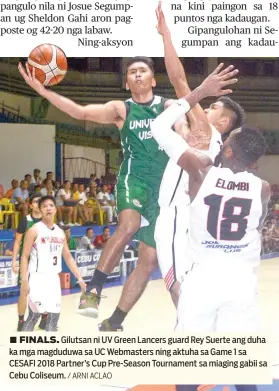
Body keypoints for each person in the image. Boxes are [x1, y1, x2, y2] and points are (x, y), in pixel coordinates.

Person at [18, 53, 237, 321]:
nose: (136, 74)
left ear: (153, 80)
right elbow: (79, 111)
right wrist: (42, 90)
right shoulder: (121, 109)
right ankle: (93, 291)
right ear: (126, 83)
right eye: (132, 71)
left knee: (148, 260)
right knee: (128, 225)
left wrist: (184, 133)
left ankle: (118, 320)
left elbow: (180, 124)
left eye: (142, 70)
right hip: (134, 180)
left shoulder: (167, 105)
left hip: (164, 193)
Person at [150, 97, 270, 332]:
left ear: (226, 151)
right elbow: (257, 225)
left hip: (203, 278)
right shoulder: (262, 188)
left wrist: (193, 100)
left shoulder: (201, 175)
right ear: (255, 163)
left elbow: (158, 127)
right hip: (241, 280)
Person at [154, 2, 245, 306]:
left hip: (177, 213)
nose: (206, 107)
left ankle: (195, 338)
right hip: (181, 214)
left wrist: (166, 36)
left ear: (222, 122)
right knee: (176, 283)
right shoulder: (209, 139)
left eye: (213, 106)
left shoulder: (208, 130)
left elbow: (180, 81)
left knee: (178, 286)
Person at [20, 196, 86, 331]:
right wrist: (24, 280)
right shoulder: (34, 230)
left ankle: (50, 350)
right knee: (33, 317)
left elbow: (68, 257)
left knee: (53, 320)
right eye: (44, 206)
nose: (48, 208)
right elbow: (24, 256)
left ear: (56, 209)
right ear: (40, 210)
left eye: (51, 205)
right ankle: (22, 348)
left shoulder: (60, 232)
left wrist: (79, 278)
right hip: (37, 278)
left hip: (54, 280)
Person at [11, 193, 44, 331]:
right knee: (24, 292)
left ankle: (44, 318)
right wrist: (14, 261)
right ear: (31, 205)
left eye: (40, 202)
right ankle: (21, 321)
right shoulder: (26, 220)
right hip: (27, 261)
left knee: (43, 292)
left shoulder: (47, 221)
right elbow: (17, 242)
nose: (38, 204)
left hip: (43, 263)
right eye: (35, 202)